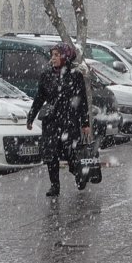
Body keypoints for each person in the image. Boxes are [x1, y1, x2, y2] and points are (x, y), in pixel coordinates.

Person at [27, 42, 91, 197]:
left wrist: (85, 123)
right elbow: (39, 97)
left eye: (57, 55)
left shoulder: (75, 75)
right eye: (52, 55)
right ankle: (55, 186)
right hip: (51, 121)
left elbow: (82, 101)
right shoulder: (46, 75)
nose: (53, 58)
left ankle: (78, 174)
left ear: (65, 57)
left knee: (70, 153)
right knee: (51, 154)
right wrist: (31, 116)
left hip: (69, 121)